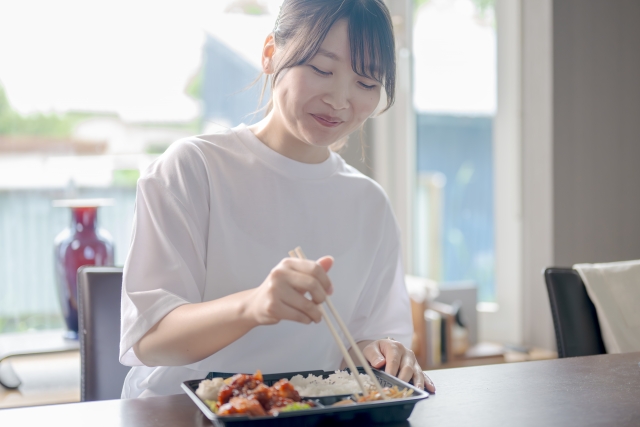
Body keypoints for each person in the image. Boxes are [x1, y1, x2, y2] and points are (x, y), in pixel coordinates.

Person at [119, 0, 436, 398]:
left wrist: (380, 352)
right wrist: (253, 306)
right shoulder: (192, 168)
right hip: (179, 413)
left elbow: (360, 346)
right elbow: (149, 339)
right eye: (322, 69)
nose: (340, 99)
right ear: (270, 53)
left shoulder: (368, 203)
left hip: (305, 414)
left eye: (367, 84)